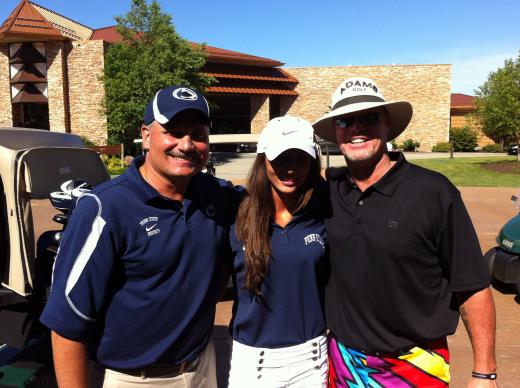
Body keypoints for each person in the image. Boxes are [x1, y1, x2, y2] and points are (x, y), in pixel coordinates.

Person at [40, 85, 238, 388]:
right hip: (136, 379)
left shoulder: (217, 196)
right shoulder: (104, 209)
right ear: (146, 135)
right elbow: (67, 324)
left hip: (202, 368)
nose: (186, 145)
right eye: (173, 131)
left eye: (198, 134)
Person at [312, 77, 497, 387]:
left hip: (415, 364)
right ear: (335, 131)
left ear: (387, 124)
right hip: (345, 363)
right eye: (345, 120)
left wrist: (484, 371)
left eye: (368, 118)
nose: (357, 128)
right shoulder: (329, 190)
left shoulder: (433, 192)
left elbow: (472, 285)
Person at [227, 115, 330, 387]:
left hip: (313, 358)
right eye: (281, 159)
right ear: (263, 160)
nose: (291, 169)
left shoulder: (325, 210)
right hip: (253, 363)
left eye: (300, 159)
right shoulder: (235, 212)